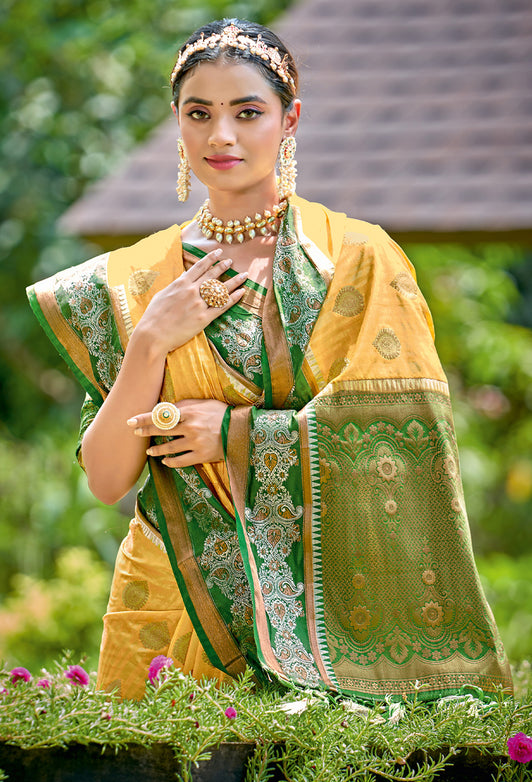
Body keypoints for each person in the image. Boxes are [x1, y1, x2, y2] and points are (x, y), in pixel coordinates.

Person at [27, 18, 512, 702]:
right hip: (175, 603)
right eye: (200, 114)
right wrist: (148, 342)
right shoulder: (132, 282)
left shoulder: (354, 259)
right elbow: (108, 480)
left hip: (331, 604)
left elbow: (408, 443)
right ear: (178, 123)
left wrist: (234, 435)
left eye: (247, 112)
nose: (221, 136)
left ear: (290, 120)